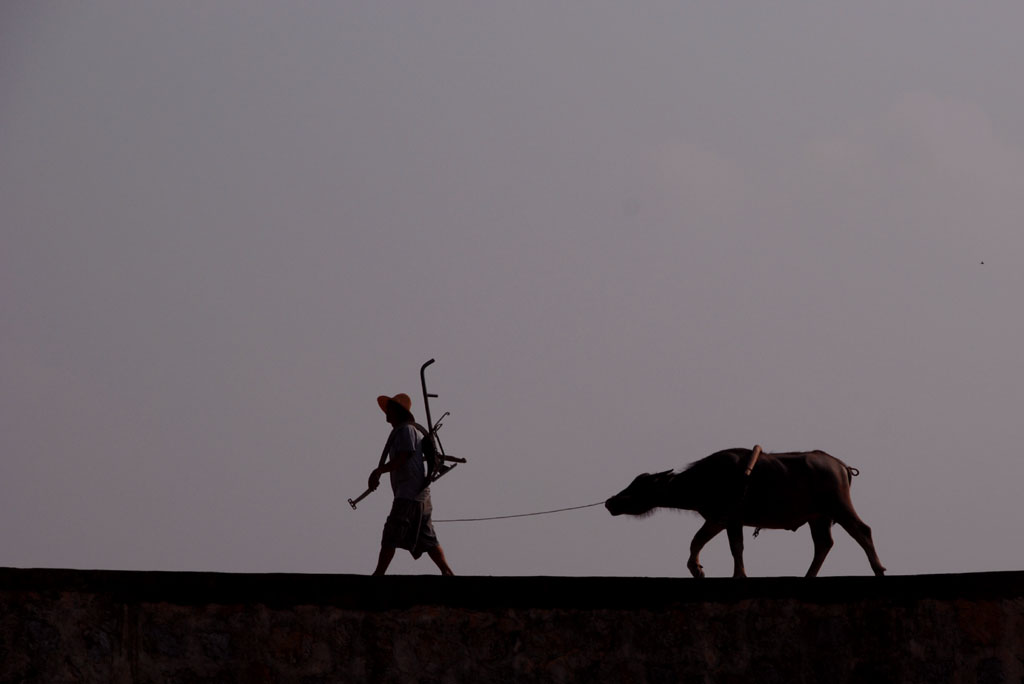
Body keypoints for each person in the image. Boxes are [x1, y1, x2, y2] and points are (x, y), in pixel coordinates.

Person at [368, 392, 454, 576]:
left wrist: (379, 471)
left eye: (390, 410)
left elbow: (404, 456)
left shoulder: (406, 430)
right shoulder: (404, 431)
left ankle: (378, 574)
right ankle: (447, 572)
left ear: (397, 412)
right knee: (427, 537)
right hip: (419, 495)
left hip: (409, 493)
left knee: (391, 533)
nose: (386, 414)